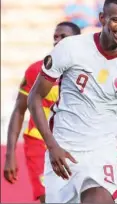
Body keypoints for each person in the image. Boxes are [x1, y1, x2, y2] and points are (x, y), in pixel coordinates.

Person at [27, 0, 117, 204]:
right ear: (102, 19)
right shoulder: (71, 48)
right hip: (64, 152)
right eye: (116, 19)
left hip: (103, 153)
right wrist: (52, 145)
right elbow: (34, 98)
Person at [3, 21, 81, 203]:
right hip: (39, 144)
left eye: (64, 37)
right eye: (55, 36)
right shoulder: (36, 70)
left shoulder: (86, 72)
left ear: (77, 41)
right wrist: (10, 155)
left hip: (74, 143)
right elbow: (19, 111)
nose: (57, 40)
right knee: (49, 198)